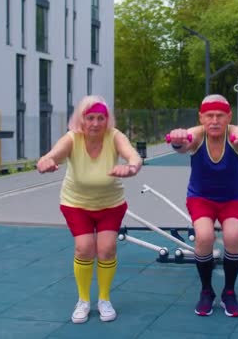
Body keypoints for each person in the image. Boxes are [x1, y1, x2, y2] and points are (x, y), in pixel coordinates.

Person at [37, 95, 142, 324]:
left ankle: (104, 299)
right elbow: (53, 154)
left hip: (111, 204)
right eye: (90, 118)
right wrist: (45, 161)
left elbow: (132, 154)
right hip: (76, 204)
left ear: (107, 119)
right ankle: (83, 300)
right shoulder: (72, 138)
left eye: (100, 118)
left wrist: (132, 166)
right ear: (81, 120)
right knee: (84, 248)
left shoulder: (114, 136)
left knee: (107, 249)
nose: (95, 123)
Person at [168, 94, 238, 317]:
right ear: (201, 117)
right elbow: (181, 146)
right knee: (204, 237)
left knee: (233, 238)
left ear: (229, 117)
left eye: (220, 116)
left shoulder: (235, 134)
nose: (214, 120)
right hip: (201, 198)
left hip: (233, 198)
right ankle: (207, 291)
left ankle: (229, 292)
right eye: (209, 116)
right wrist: (177, 140)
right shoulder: (196, 135)